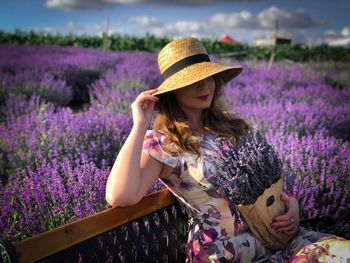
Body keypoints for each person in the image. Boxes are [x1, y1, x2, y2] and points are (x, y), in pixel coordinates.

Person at [105, 37, 350, 262]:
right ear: (172, 91)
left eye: (208, 77)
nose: (204, 86)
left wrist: (291, 204)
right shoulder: (165, 143)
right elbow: (121, 196)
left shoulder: (232, 127)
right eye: (192, 81)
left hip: (273, 239)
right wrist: (139, 124)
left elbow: (266, 185)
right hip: (226, 252)